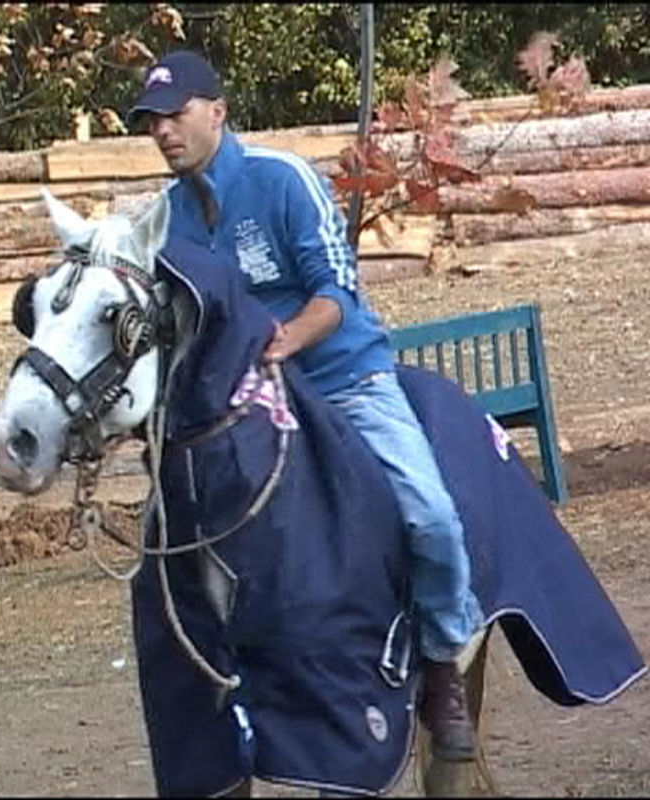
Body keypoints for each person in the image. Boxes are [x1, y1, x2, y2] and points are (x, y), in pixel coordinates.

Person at [127, 49, 485, 761]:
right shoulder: (161, 222)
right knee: (170, 548)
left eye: (176, 114)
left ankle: (443, 661)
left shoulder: (281, 179)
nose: (164, 131)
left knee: (431, 517)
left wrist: (278, 344)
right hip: (248, 408)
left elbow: (335, 292)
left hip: (345, 381)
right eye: (151, 122)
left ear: (218, 112)